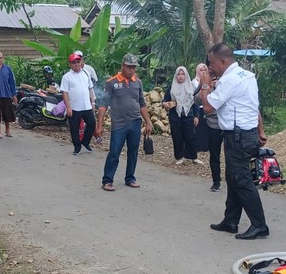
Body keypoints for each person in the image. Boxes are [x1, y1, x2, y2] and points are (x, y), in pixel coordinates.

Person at [199, 44, 269, 240]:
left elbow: (208, 108)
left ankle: (259, 225)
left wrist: (205, 85)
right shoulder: (247, 76)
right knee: (233, 178)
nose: (210, 67)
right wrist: (260, 130)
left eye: (212, 63)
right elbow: (253, 107)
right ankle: (230, 220)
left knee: (241, 180)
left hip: (238, 137)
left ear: (222, 61)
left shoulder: (228, 80)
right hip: (245, 134)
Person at [96, 54, 153, 191]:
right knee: (114, 152)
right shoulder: (111, 83)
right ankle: (107, 180)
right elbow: (103, 106)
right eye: (129, 67)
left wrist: (148, 122)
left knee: (133, 152)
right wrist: (99, 126)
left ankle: (130, 178)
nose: (131, 70)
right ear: (122, 66)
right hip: (119, 124)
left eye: (133, 67)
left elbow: (142, 104)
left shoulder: (137, 82)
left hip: (135, 122)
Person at [163, 66, 202, 165]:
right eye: (179, 74)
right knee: (177, 137)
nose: (181, 76)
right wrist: (166, 104)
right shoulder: (171, 88)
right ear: (176, 76)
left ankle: (193, 156)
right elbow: (165, 100)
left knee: (191, 136)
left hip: (188, 115)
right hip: (175, 115)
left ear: (186, 75)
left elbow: (195, 103)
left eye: (183, 74)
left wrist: (196, 116)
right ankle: (179, 157)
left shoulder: (191, 87)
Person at [60, 53, 96, 156]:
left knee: (92, 123)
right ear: (70, 64)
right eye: (74, 63)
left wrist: (93, 102)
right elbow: (64, 92)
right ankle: (77, 146)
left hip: (86, 106)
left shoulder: (86, 73)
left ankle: (85, 141)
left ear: (81, 62)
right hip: (74, 107)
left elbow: (90, 88)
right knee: (74, 128)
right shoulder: (67, 77)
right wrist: (68, 107)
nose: (76, 64)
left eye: (78, 62)